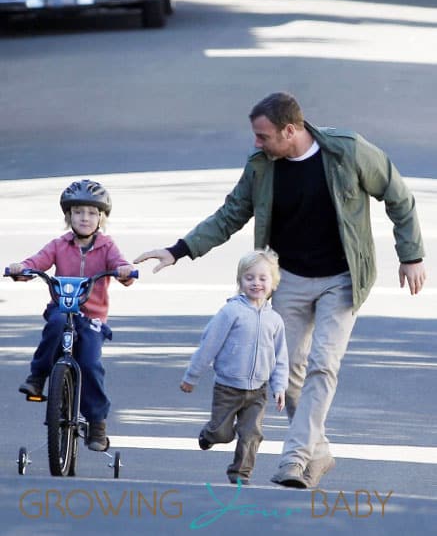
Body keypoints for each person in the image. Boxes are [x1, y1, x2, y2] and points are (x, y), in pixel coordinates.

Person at [134, 92, 426, 488]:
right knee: (285, 372)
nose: (256, 143)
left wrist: (411, 255)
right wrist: (179, 250)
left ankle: (294, 459)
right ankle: (318, 452)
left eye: (263, 135)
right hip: (287, 280)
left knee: (323, 365)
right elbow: (229, 215)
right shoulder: (261, 167)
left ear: (291, 131)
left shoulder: (347, 152)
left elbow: (398, 195)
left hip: (342, 279)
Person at [9, 179, 135, 451]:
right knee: (53, 326)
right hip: (62, 310)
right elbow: (36, 262)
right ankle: (38, 377)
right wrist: (22, 268)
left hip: (91, 319)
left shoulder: (107, 246)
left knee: (90, 364)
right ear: (68, 216)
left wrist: (125, 270)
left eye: (92, 213)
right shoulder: (58, 245)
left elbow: (120, 264)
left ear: (102, 217)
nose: (85, 218)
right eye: (78, 212)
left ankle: (97, 422)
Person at [180, 250, 288, 485]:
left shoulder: (275, 320)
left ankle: (240, 475)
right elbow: (209, 345)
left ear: (273, 283)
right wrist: (192, 376)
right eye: (249, 278)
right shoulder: (231, 312)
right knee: (222, 433)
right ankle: (209, 434)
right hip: (228, 388)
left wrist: (279, 387)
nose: (256, 283)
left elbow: (280, 357)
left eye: (262, 278)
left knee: (251, 435)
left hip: (258, 391)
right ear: (240, 281)